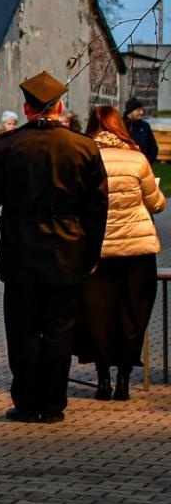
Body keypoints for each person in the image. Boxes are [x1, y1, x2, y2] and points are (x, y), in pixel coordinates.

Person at [0, 71, 108, 423]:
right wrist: (90, 255)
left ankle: (27, 401)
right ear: (60, 106)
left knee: (22, 330)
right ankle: (53, 405)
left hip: (20, 251)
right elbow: (97, 209)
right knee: (59, 331)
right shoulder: (84, 147)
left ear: (27, 107)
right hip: (68, 252)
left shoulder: (5, 147)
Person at [77, 105, 165, 400]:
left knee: (98, 316)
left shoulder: (83, 156)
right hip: (137, 251)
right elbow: (156, 204)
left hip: (97, 250)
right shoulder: (136, 158)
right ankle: (124, 379)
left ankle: (102, 380)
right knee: (133, 313)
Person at [124, 98, 159, 165]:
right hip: (126, 165)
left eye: (142, 110)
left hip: (143, 164)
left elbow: (153, 147)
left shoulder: (145, 126)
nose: (141, 112)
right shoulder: (122, 126)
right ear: (130, 112)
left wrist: (148, 161)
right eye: (138, 110)